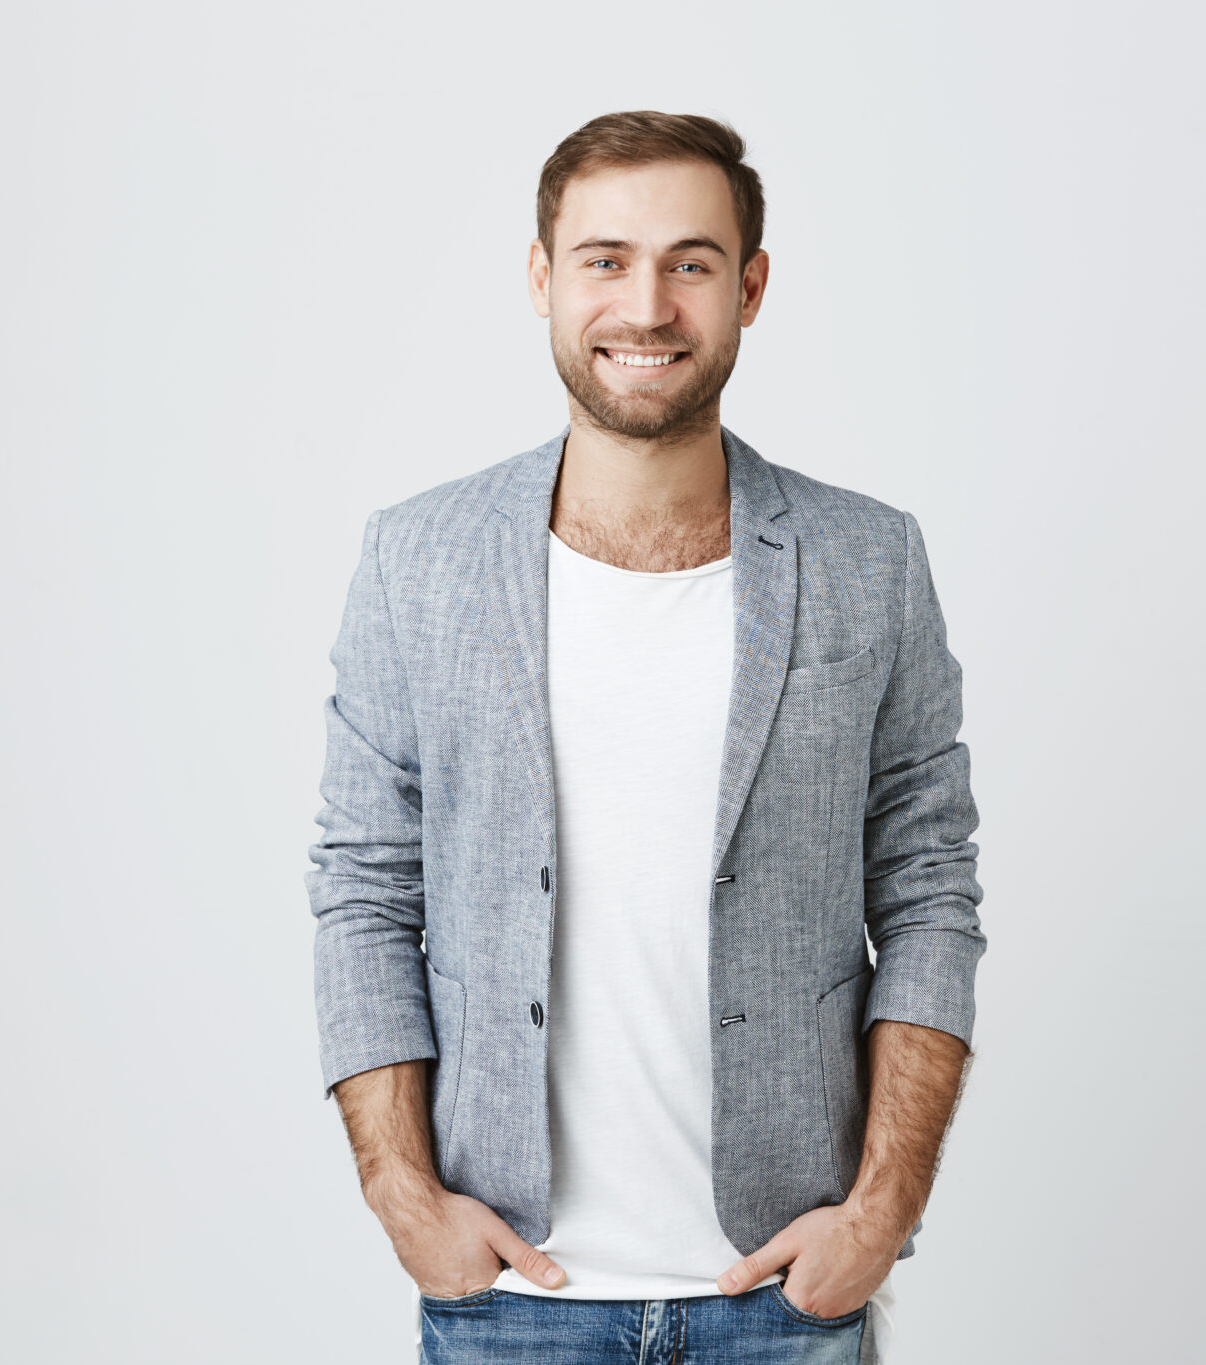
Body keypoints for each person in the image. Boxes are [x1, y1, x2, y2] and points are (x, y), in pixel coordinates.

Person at [308, 110, 986, 1364]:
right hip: (509, 1299)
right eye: (604, 259)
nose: (646, 305)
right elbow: (361, 887)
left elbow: (929, 892)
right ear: (540, 277)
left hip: (782, 1295)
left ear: (750, 287)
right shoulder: (417, 559)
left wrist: (880, 1212)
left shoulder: (865, 561)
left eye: (689, 262)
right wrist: (401, 1195)